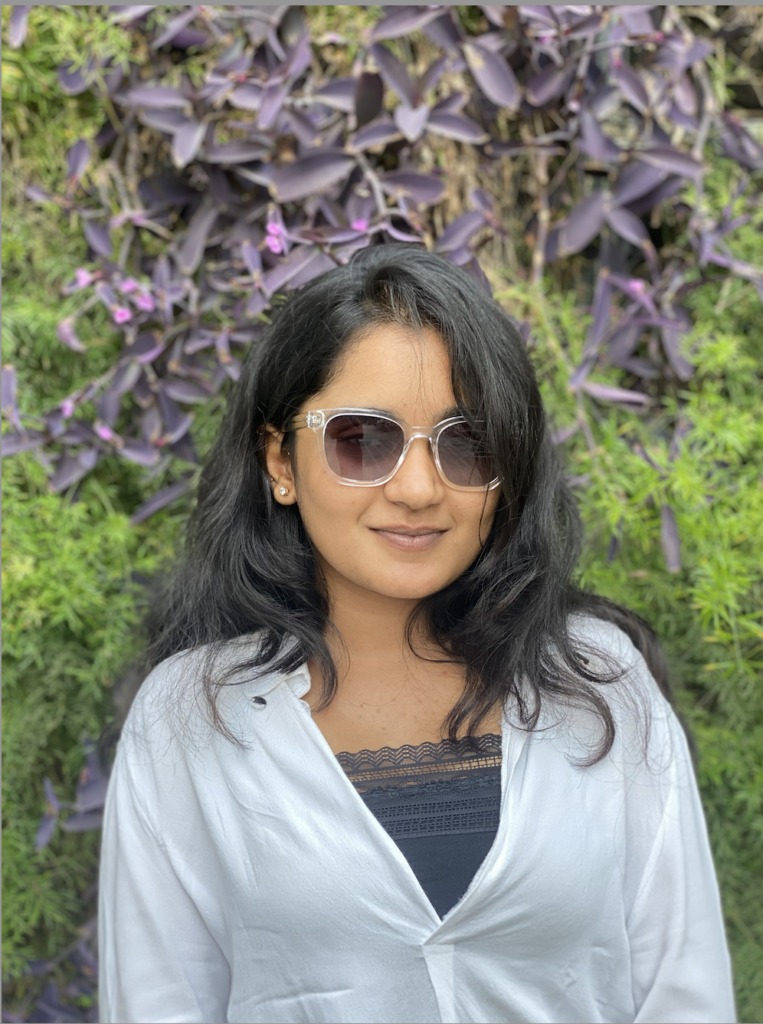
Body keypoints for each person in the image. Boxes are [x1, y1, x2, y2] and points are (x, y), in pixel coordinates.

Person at [98, 244, 735, 1024]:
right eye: (362, 439)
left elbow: (685, 993)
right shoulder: (189, 718)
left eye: (467, 444)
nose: (419, 488)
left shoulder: (597, 681)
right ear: (280, 462)